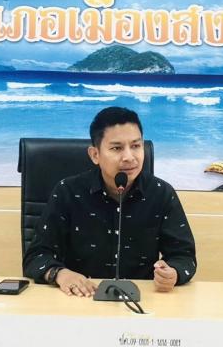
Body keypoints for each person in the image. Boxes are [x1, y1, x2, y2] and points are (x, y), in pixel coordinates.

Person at [23, 106, 197, 297]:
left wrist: (173, 273)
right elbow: (36, 257)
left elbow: (184, 256)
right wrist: (60, 274)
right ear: (95, 155)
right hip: (80, 298)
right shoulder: (68, 192)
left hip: (142, 300)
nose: (129, 157)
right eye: (116, 148)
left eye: (136, 146)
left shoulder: (161, 193)